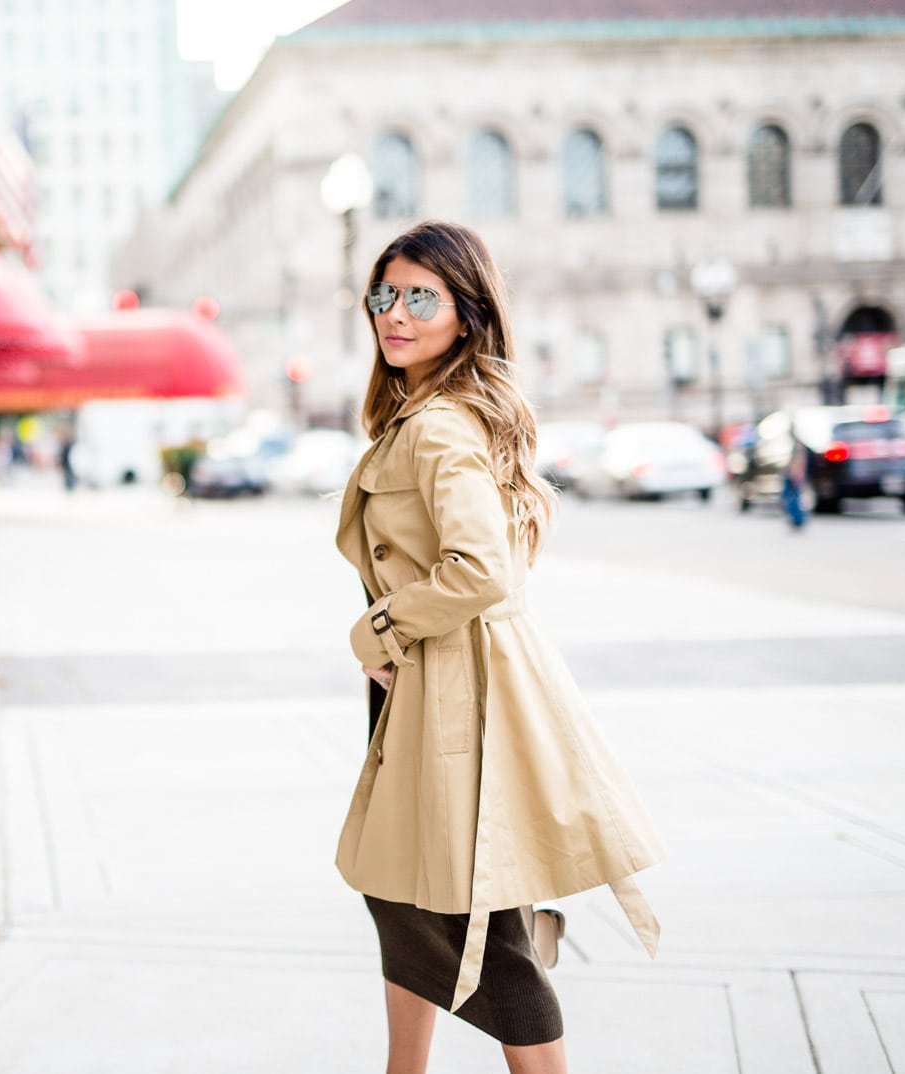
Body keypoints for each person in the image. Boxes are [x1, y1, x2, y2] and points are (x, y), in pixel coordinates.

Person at [334, 221, 666, 1074]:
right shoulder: (427, 414)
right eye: (384, 295)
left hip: (451, 692)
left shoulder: (441, 425)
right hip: (429, 689)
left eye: (420, 297)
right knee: (407, 896)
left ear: (467, 312)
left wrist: (377, 626)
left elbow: (480, 571)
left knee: (468, 923)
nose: (394, 314)